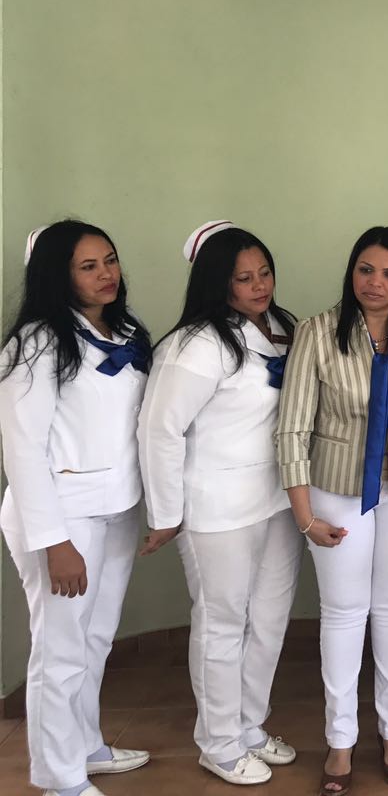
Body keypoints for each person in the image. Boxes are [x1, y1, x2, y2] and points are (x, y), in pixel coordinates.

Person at [275, 226, 388, 796]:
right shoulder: (317, 332)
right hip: (337, 491)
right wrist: (304, 516)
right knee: (344, 612)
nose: (376, 283)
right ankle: (340, 738)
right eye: (366, 270)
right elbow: (292, 429)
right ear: (352, 272)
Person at [137, 221, 301, 785]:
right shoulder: (195, 345)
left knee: (270, 618)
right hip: (218, 505)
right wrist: (166, 515)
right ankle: (219, 742)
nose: (259, 286)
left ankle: (250, 726)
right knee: (222, 622)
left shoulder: (284, 328)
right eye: (243, 278)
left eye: (264, 273)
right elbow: (159, 429)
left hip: (278, 498)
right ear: (217, 282)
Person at [0, 221, 152, 796]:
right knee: (60, 649)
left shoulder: (126, 331)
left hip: (116, 507)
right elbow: (22, 450)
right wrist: (54, 541)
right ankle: (59, 777)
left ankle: (85, 745)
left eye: (109, 260)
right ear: (57, 276)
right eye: (88, 266)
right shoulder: (36, 344)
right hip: (62, 517)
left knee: (96, 637)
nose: (106, 274)